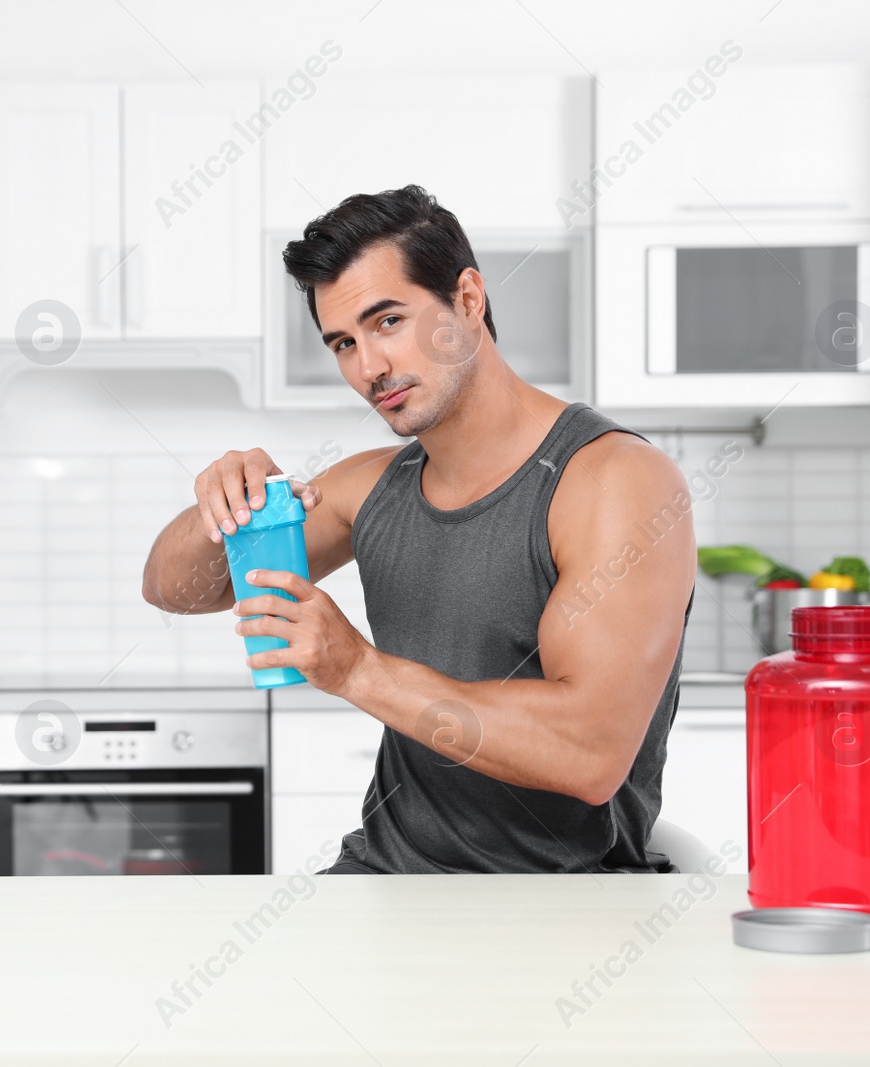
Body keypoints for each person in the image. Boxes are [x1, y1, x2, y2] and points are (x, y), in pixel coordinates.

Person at [141, 185, 695, 874]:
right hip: (385, 879)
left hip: (564, 905)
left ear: (468, 300)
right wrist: (217, 509)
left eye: (388, 321)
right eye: (343, 342)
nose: (368, 367)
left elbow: (589, 753)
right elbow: (172, 588)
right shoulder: (372, 487)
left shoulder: (613, 480)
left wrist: (358, 669)